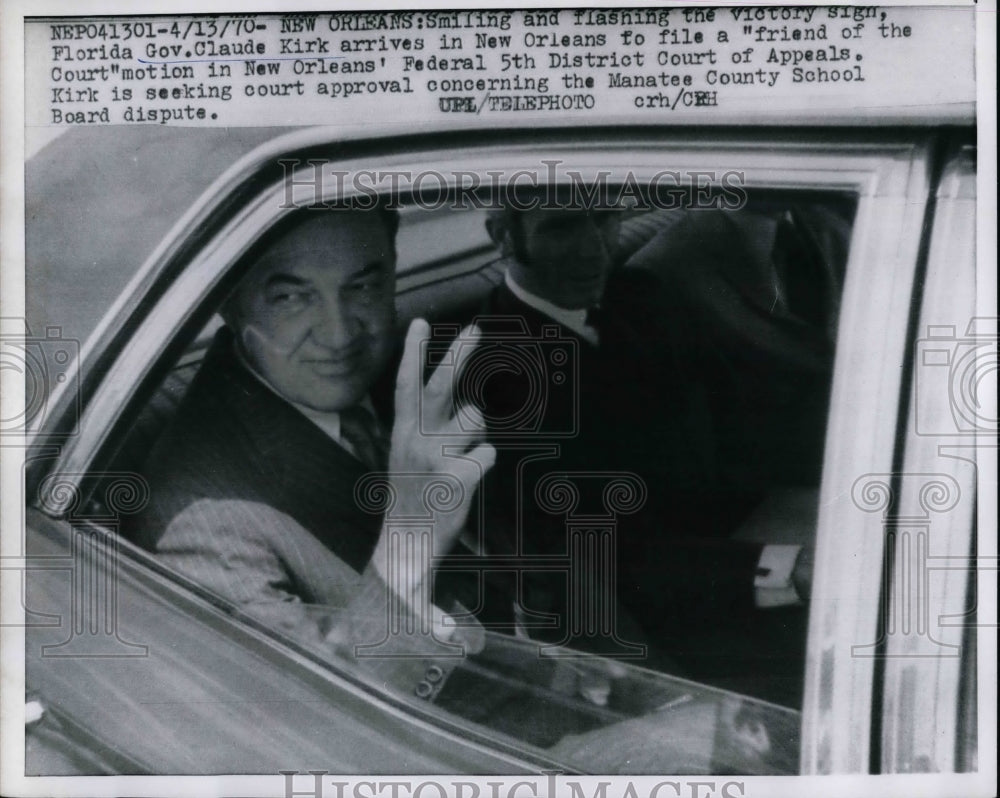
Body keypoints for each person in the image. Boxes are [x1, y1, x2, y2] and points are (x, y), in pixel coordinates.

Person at [130, 205, 496, 699]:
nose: (339, 334)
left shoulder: (409, 370)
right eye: (290, 297)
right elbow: (325, 733)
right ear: (227, 302)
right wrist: (409, 543)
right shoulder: (202, 526)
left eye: (362, 286)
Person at [467, 197, 817, 681]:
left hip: (741, 545)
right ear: (503, 236)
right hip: (662, 624)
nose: (595, 248)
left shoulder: (640, 294)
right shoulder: (494, 380)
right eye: (563, 226)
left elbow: (733, 428)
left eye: (605, 216)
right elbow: (611, 565)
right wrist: (787, 570)